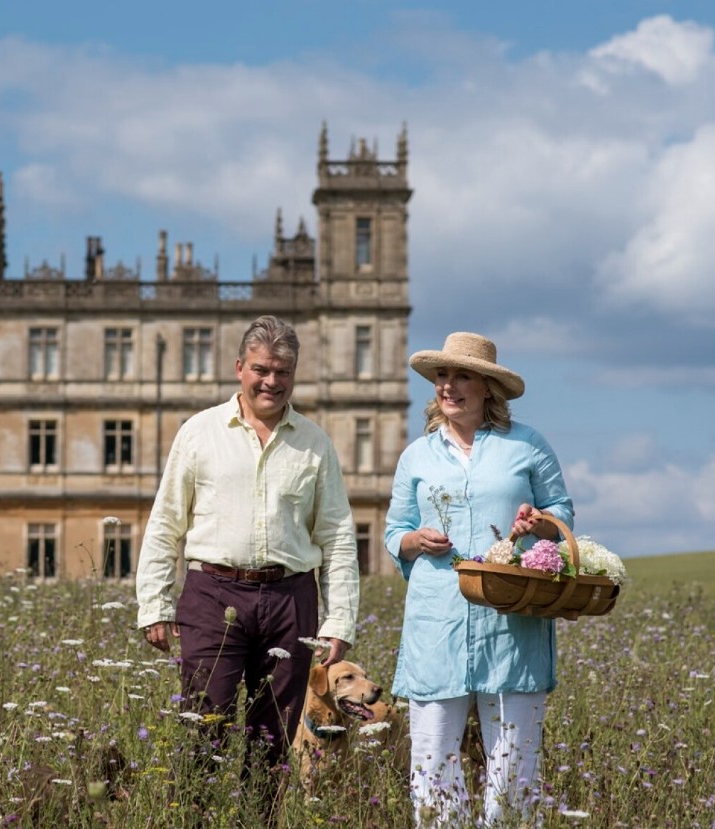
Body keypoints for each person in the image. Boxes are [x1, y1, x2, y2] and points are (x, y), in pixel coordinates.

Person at [136, 314, 360, 814]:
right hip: (212, 593)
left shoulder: (315, 444)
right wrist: (153, 603)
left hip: (291, 598)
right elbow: (166, 520)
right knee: (204, 721)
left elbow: (339, 536)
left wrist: (339, 618)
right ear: (240, 368)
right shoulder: (199, 433)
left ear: (294, 374)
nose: (271, 382)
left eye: (283, 371)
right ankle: (196, 820)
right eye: (261, 369)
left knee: (273, 733)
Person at [384, 331, 574, 828]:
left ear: (488, 387)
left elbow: (563, 512)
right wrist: (414, 540)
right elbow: (393, 532)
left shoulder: (527, 446)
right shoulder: (416, 456)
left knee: (514, 770)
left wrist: (541, 521)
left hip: (512, 624)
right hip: (436, 624)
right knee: (432, 766)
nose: (448, 386)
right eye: (442, 376)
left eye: (461, 375)